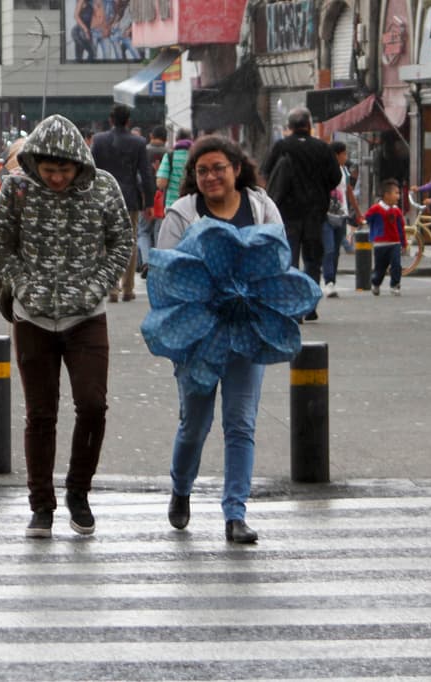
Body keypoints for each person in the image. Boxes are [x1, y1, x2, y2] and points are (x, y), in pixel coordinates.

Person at [0, 114, 133, 538]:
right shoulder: (17, 189)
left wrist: (97, 286)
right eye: (48, 170)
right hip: (32, 317)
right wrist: (23, 285)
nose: (55, 179)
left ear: (79, 164)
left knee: (92, 405)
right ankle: (41, 506)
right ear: (34, 163)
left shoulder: (104, 187)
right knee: (40, 414)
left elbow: (122, 241)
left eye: (64, 171)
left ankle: (78, 492)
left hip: (86, 317)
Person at [156, 135, 284, 544]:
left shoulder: (260, 206)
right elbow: (164, 271)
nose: (211, 176)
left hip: (248, 330)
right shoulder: (182, 213)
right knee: (195, 425)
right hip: (197, 335)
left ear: (237, 169)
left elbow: (279, 260)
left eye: (218, 168)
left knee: (241, 424)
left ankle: (235, 513)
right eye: (202, 170)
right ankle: (181, 488)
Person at [261, 107, 342, 321]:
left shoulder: (281, 147)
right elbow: (335, 177)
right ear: (309, 125)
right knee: (313, 260)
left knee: (290, 259)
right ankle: (310, 306)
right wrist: (320, 188)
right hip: (315, 212)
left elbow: (266, 172)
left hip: (287, 213)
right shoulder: (322, 148)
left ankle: (293, 307)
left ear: (289, 126)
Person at [91, 103, 155, 302]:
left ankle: (112, 288)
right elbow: (146, 174)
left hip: (104, 197)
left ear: (111, 120)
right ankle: (128, 288)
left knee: (106, 242)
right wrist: (149, 202)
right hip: (130, 199)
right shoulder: (138, 142)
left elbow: (91, 170)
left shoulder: (99, 140)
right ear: (128, 121)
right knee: (130, 241)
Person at [321, 141, 362, 298]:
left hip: (342, 215)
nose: (346, 157)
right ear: (336, 155)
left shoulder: (344, 170)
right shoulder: (323, 170)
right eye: (344, 154)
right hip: (326, 215)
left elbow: (349, 192)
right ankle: (328, 282)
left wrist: (358, 212)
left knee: (336, 251)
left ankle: (332, 280)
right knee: (329, 249)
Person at [363, 178, 407, 297]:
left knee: (396, 265)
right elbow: (366, 219)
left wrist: (404, 243)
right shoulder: (376, 209)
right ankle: (376, 283)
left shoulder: (397, 211)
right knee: (380, 268)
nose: (398, 196)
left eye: (398, 193)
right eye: (396, 193)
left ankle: (395, 285)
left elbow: (401, 228)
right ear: (387, 195)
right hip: (380, 244)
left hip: (395, 243)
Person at [137, 125, 169, 276]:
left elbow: (138, 176)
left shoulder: (143, 152)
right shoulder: (169, 153)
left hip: (146, 197)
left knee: (143, 231)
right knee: (159, 231)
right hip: (163, 198)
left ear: (151, 136)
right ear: (166, 138)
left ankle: (146, 262)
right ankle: (157, 263)